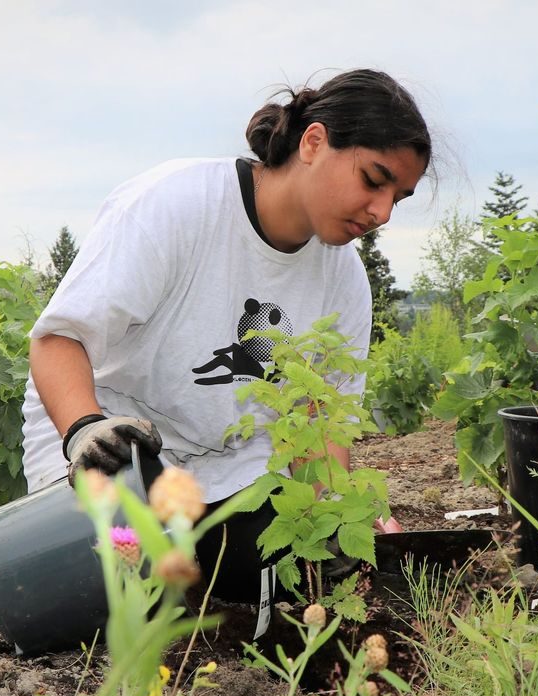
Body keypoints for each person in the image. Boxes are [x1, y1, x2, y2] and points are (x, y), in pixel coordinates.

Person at [21, 68, 431, 603]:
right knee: (109, 593)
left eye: (399, 198)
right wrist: (84, 429)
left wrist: (338, 513)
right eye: (374, 180)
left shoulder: (344, 278)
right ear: (313, 143)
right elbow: (57, 341)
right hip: (114, 447)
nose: (381, 212)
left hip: (233, 468)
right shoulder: (176, 205)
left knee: (292, 575)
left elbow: (320, 426)